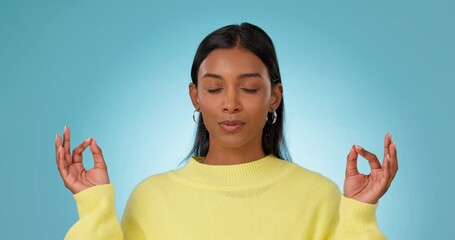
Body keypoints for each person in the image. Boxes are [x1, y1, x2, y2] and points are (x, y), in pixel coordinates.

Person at [55, 23, 398, 239]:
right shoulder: (150, 198)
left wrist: (359, 214)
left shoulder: (319, 196)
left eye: (248, 88)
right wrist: (94, 207)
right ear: (196, 97)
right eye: (215, 89)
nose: (230, 104)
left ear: (274, 97)